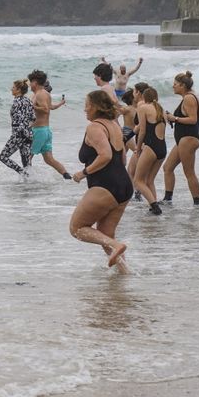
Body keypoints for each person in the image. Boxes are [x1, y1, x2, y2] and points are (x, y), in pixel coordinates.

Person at [70, 90, 133, 271]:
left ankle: (116, 245)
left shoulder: (95, 127)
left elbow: (105, 155)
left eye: (87, 105)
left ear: (96, 107)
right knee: (105, 234)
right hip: (124, 185)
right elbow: (122, 158)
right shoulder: (113, 125)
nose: (84, 109)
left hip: (106, 185)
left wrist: (84, 172)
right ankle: (125, 272)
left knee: (77, 228)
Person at [162, 71, 199, 206]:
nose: (173, 87)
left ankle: (197, 203)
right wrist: (173, 118)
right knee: (168, 167)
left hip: (188, 139)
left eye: (175, 84)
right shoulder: (188, 96)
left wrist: (175, 118)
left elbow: (193, 119)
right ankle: (168, 199)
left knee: (189, 172)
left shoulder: (189, 98)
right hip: (183, 139)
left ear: (183, 85)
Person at [28, 69, 71, 180]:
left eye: (30, 81)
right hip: (45, 131)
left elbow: (46, 109)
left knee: (27, 156)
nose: (29, 84)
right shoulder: (45, 94)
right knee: (49, 159)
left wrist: (32, 106)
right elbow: (51, 107)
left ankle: (26, 181)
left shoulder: (39, 95)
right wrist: (61, 103)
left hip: (39, 131)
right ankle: (66, 176)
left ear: (35, 82)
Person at [133, 87, 168, 215]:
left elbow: (142, 131)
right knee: (149, 180)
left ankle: (155, 207)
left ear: (144, 98)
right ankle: (153, 206)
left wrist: (137, 147)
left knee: (138, 180)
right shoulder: (161, 110)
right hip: (162, 148)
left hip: (151, 147)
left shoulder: (143, 108)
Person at [0, 80, 35, 177]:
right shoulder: (28, 100)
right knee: (26, 163)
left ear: (18, 90)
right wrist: (27, 131)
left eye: (13, 87)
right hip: (29, 134)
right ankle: (31, 183)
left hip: (19, 134)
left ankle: (23, 174)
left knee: (3, 157)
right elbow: (33, 118)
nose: (11, 89)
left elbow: (19, 121)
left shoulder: (17, 102)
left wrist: (20, 133)